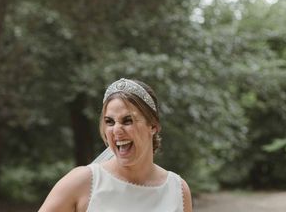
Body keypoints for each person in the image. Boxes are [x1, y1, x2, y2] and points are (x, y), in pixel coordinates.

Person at [38, 78, 193, 212]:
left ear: (152, 126)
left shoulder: (177, 189)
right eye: (109, 122)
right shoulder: (82, 182)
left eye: (127, 120)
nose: (116, 130)